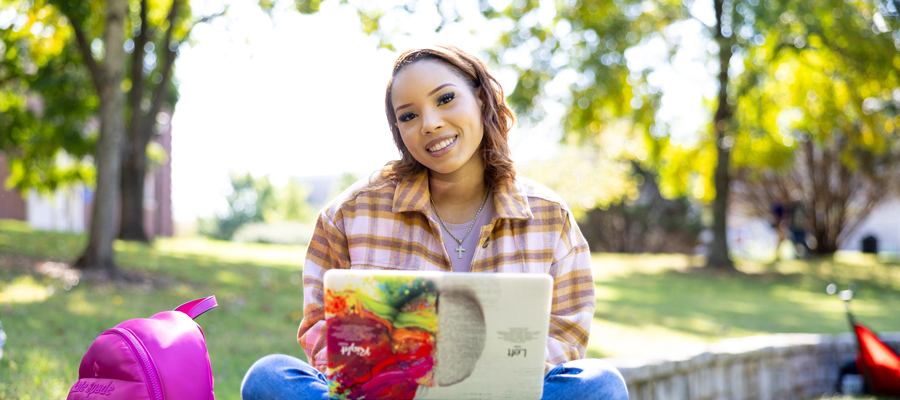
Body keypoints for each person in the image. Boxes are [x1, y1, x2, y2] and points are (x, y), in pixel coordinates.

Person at [241, 44, 628, 400]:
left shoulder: (549, 215)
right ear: (399, 131)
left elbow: (567, 331)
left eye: (445, 99)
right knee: (269, 377)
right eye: (408, 115)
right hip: (389, 397)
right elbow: (321, 328)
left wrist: (491, 383)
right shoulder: (350, 214)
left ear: (480, 97)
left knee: (601, 384)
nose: (429, 123)